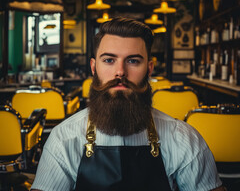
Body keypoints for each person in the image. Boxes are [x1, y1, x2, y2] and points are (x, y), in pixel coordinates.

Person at [31, 17, 225, 191]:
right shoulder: (64, 139)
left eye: (133, 61)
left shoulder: (183, 140)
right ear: (93, 67)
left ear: (149, 69)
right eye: (109, 60)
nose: (120, 72)